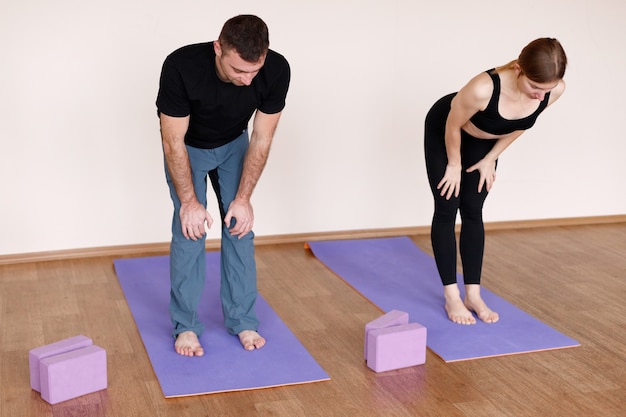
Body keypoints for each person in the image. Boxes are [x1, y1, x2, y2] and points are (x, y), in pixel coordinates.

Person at [156, 15, 290, 356]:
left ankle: (243, 319)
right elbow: (173, 141)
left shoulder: (275, 69)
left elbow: (262, 137)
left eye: (253, 71)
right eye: (237, 70)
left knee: (240, 227)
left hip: (234, 144)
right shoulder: (181, 67)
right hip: (188, 148)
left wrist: (243, 199)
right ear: (219, 48)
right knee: (191, 230)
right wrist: (189, 202)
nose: (247, 81)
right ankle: (185, 326)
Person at [424, 38, 567, 325]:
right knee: (447, 205)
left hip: (485, 143)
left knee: (473, 210)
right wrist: (454, 163)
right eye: (535, 88)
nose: (541, 96)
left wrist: (491, 157)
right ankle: (452, 296)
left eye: (547, 90)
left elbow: (522, 124)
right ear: (518, 69)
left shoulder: (554, 90)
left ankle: (473, 294)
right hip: (447, 132)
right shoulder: (482, 89)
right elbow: (452, 124)